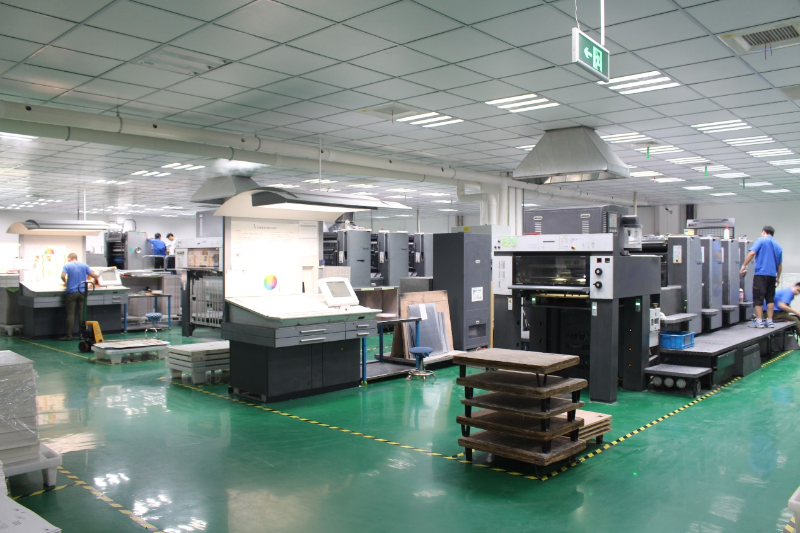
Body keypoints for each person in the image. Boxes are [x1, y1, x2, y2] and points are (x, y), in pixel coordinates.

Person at [741, 225, 783, 328]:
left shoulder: (761, 240)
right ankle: (770, 321)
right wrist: (778, 277)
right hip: (772, 276)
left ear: (763, 232)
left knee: (758, 297)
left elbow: (752, 253)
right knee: (770, 298)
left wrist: (744, 265)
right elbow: (780, 265)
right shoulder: (778, 246)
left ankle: (759, 321)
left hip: (761, 274)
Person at [60, 253, 100, 341]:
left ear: (69, 259)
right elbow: (95, 276)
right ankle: (82, 335)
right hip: (82, 292)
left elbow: (62, 276)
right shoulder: (84, 265)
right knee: (82, 314)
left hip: (72, 292)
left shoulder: (67, 265)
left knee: (70, 315)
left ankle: (69, 336)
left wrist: (66, 282)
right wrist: (96, 277)